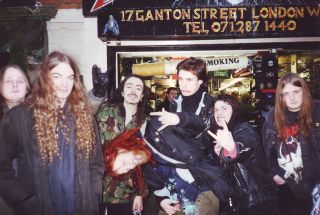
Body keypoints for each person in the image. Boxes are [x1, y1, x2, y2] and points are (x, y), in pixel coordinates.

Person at [0, 51, 104, 215]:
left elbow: (96, 163)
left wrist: (94, 193)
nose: (65, 83)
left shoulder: (84, 118)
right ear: (45, 78)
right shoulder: (21, 117)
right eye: (57, 76)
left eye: (70, 77)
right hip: (40, 208)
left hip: (81, 207)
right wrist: (23, 200)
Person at [207, 94, 278, 215]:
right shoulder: (223, 134)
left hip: (257, 201)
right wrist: (219, 154)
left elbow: (243, 147)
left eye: (224, 108)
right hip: (240, 201)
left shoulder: (243, 128)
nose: (219, 113)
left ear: (234, 110)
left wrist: (231, 148)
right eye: (216, 110)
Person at [262, 72, 320, 215]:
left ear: (304, 91)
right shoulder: (273, 117)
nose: (292, 97)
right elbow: (266, 150)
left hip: (316, 185)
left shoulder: (317, 111)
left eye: (296, 91)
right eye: (286, 93)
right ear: (281, 97)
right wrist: (274, 174)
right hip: (288, 187)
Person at [96, 74, 152, 215]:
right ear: (122, 92)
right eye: (129, 86)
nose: (133, 90)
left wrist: (140, 194)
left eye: (138, 88)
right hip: (97, 186)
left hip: (126, 192)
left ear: (142, 96)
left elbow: (145, 163)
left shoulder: (146, 123)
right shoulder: (104, 112)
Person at [0, 64, 30, 215]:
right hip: (9, 203)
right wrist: (23, 199)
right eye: (8, 81)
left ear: (27, 86)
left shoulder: (39, 115)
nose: (15, 84)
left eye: (20, 80)